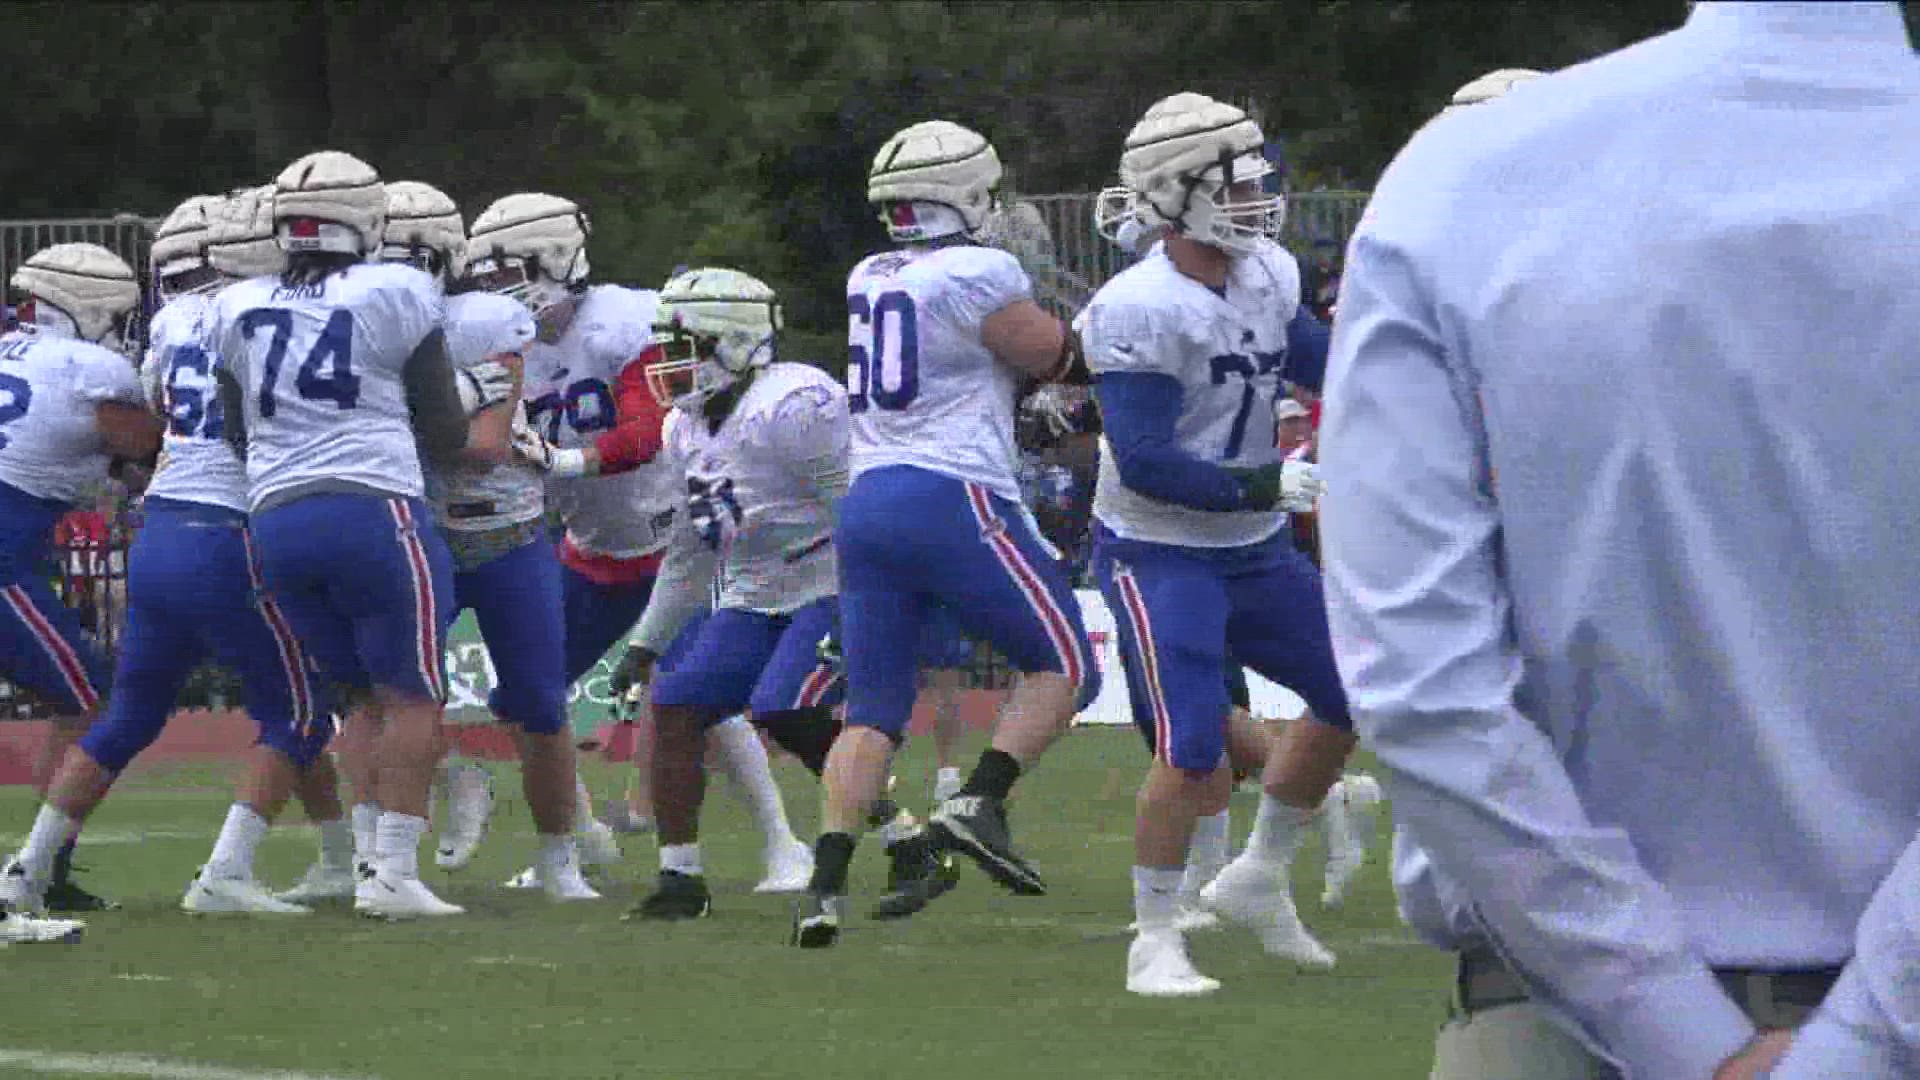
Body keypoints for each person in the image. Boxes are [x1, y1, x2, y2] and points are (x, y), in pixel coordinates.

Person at [1322, 7, 1920, 1076]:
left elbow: (1424, 689)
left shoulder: (1469, 177)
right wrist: (1861, 1041)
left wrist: (1668, 1020)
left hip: (1556, 1026)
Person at [795, 119, 1099, 949]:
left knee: (874, 708)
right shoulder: (979, 268)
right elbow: (1058, 360)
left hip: (868, 501)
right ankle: (979, 801)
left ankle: (823, 889)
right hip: (951, 496)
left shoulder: (869, 273)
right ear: (966, 193)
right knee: (1068, 664)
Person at [1077, 92, 1352, 996]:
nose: (1258, 195)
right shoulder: (1138, 305)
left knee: (1355, 692)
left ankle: (1259, 876)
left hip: (1256, 544)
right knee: (1193, 745)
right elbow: (1147, 460)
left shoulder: (1266, 269)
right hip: (1162, 550)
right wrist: (1265, 481)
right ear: (1175, 191)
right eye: (1235, 180)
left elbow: (1325, 364)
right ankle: (1154, 936)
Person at [211, 150, 472, 919]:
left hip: (276, 515)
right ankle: (392, 871)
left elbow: (237, 430)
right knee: (415, 693)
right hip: (373, 508)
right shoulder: (398, 289)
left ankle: (368, 861)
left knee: (357, 697)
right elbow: (448, 430)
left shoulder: (236, 304)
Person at [625, 267, 856, 920]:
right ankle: (680, 879)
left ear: (732, 341)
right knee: (676, 704)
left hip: (832, 580)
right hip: (756, 593)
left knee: (784, 708)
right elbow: (691, 549)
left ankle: (895, 826)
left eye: (683, 347)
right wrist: (648, 641)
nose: (669, 366)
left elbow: (857, 511)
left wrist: (880, 604)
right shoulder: (685, 427)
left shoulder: (796, 403)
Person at [0, 241, 160, 943]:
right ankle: (39, 870)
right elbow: (151, 446)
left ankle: (43, 869)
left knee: (84, 693)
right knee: (91, 696)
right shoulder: (93, 367)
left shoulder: (10, 349)